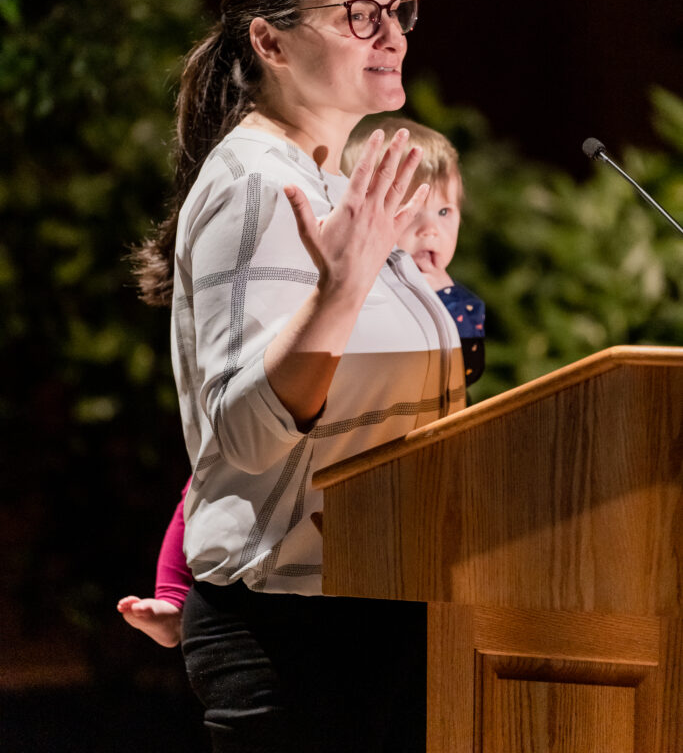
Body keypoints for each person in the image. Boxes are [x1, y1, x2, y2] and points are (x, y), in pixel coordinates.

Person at [127, 0, 467, 753]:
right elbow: (240, 434)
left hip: (367, 607)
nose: (389, 35)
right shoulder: (257, 186)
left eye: (396, 11)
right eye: (358, 14)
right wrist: (342, 290)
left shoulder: (325, 181)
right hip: (293, 636)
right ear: (269, 41)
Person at [118, 116, 486, 651]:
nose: (431, 230)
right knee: (205, 485)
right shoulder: (334, 273)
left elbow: (464, 372)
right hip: (299, 507)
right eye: (412, 211)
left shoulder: (452, 300)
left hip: (404, 506)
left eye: (445, 212)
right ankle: (173, 599)